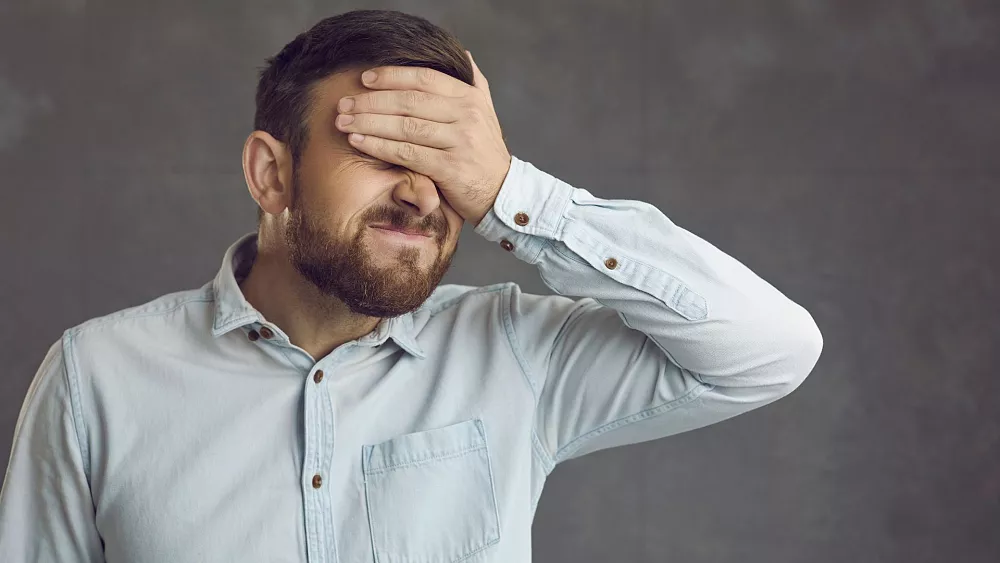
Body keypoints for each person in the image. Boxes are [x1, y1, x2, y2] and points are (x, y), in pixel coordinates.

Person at [0, 8, 823, 563]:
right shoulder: (93, 378)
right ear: (270, 172)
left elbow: (770, 349)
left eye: (445, 163)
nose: (424, 193)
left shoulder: (514, 353)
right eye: (384, 150)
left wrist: (510, 191)